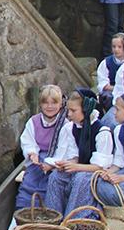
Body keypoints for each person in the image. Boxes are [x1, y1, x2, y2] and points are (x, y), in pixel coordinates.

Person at [47, 88, 115, 218]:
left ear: (86, 109)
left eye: (73, 111)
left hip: (96, 174)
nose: (69, 115)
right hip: (80, 169)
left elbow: (100, 166)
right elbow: (76, 157)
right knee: (56, 176)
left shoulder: (102, 132)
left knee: (81, 178)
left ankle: (72, 220)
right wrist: (66, 164)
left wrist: (76, 167)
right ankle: (53, 218)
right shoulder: (73, 128)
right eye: (68, 110)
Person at [14, 85, 65, 216]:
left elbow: (66, 147)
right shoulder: (34, 121)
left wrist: (52, 163)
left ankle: (46, 215)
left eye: (54, 102)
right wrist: (32, 153)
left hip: (57, 161)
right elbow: (27, 141)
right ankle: (23, 215)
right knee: (29, 184)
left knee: (49, 186)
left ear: (61, 104)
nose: (49, 106)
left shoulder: (65, 123)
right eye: (45, 103)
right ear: (41, 104)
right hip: (38, 160)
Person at [95, 32, 124, 115]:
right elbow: (104, 85)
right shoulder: (106, 63)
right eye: (114, 47)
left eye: (120, 47)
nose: (116, 49)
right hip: (110, 92)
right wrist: (117, 88)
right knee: (107, 97)